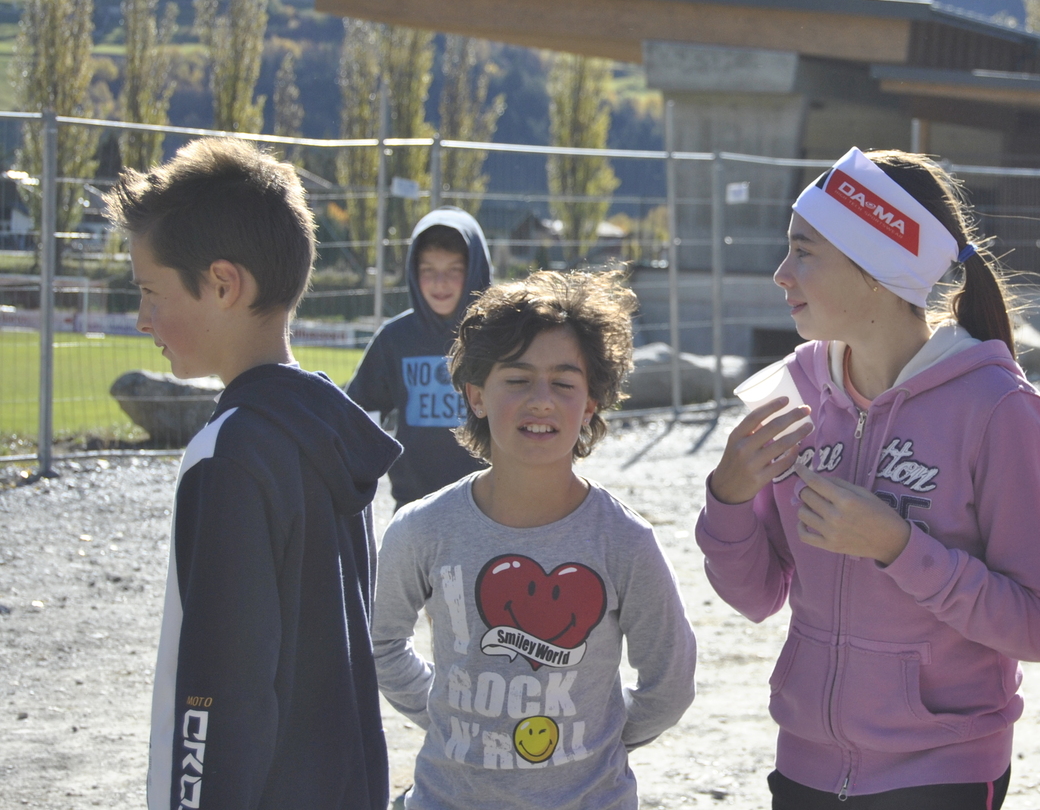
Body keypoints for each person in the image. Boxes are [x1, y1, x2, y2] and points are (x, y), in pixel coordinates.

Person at [696, 147, 1040, 808]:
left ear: (878, 271)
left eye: (804, 252)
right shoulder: (793, 392)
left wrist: (897, 547)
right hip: (806, 765)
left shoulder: (996, 407)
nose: (781, 273)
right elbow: (755, 595)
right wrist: (726, 497)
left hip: (942, 770)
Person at [107, 139, 402, 810]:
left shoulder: (230, 453)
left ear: (222, 284)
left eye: (150, 291)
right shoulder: (326, 428)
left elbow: (223, 692)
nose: (142, 318)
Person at [372, 268, 697, 810]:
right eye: (517, 379)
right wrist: (445, 714)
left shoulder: (625, 541)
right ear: (477, 395)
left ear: (590, 403)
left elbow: (670, 682)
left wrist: (602, 738)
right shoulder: (420, 528)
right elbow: (381, 644)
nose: (541, 400)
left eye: (564, 383)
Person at [348, 207, 492, 509]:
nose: (440, 282)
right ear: (413, 271)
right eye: (428, 270)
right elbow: (358, 410)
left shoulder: (497, 335)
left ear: (474, 270)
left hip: (489, 504)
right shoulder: (395, 338)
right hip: (413, 503)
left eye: (454, 270)